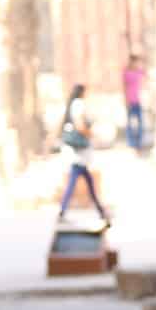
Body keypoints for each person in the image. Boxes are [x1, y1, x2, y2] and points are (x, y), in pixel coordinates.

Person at [55, 84, 111, 227]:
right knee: (76, 182)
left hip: (78, 153)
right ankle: (64, 211)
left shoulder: (72, 104)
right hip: (78, 152)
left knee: (86, 182)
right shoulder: (78, 104)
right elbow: (80, 125)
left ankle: (99, 210)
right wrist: (91, 134)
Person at [122, 54, 148, 152]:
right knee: (130, 124)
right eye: (134, 62)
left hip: (138, 100)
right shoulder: (126, 72)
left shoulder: (138, 71)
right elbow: (124, 86)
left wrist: (142, 62)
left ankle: (139, 144)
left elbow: (146, 73)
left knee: (140, 123)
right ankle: (131, 144)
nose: (135, 64)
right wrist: (126, 101)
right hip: (130, 100)